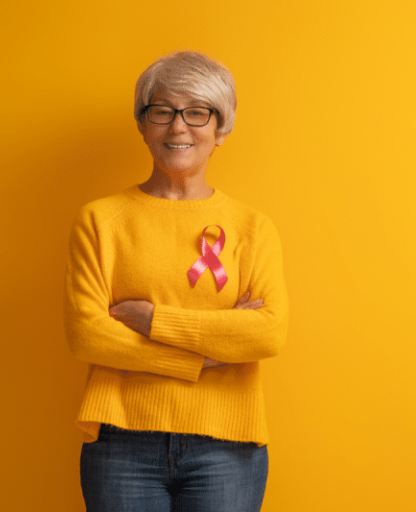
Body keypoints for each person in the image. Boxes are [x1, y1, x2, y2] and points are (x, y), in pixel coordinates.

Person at [63, 50, 289, 512]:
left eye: (197, 113)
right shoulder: (101, 221)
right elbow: (87, 334)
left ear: (220, 129)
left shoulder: (252, 228)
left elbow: (267, 331)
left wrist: (152, 320)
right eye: (162, 111)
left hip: (227, 445)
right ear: (142, 124)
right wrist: (199, 359)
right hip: (121, 443)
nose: (178, 127)